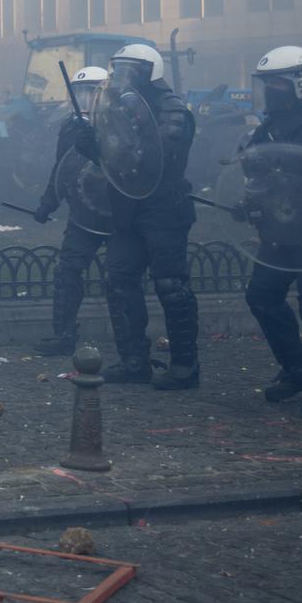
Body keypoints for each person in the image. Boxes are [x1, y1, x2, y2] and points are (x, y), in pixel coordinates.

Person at [73, 43, 199, 388]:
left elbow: (156, 156)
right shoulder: (116, 105)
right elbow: (115, 158)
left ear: (150, 72)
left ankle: (185, 366)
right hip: (128, 207)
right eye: (119, 68)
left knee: (171, 285)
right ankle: (133, 362)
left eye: (130, 69)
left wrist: (113, 141)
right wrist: (91, 144)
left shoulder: (172, 109)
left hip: (165, 208)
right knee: (118, 279)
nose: (122, 76)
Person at [237, 47, 302, 415]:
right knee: (262, 296)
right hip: (280, 233)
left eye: (279, 84)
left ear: (301, 83)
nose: (271, 90)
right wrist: (250, 203)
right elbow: (257, 177)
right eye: (267, 84)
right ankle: (300, 369)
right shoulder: (266, 129)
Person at [31, 65, 109, 355]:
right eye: (81, 92)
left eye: (92, 92)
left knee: (120, 277)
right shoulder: (71, 126)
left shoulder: (119, 124)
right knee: (67, 272)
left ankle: (132, 345)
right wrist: (48, 202)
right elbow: (62, 167)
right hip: (83, 213)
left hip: (117, 212)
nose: (85, 99)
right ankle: (63, 335)